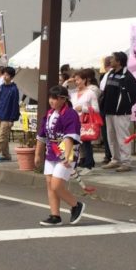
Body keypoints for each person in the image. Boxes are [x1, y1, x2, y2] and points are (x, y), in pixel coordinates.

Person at [34, 85, 87, 226]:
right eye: (51, 98)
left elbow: (70, 137)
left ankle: (76, 205)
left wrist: (68, 156)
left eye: (55, 98)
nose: (52, 101)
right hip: (51, 152)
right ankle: (55, 215)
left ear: (63, 99)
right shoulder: (49, 114)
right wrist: (38, 155)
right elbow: (41, 136)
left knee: (57, 185)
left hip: (66, 153)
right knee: (50, 184)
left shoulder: (70, 114)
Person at [99, 51, 136, 172]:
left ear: (119, 61)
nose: (110, 61)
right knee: (111, 137)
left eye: (113, 59)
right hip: (109, 111)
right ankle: (115, 159)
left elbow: (133, 95)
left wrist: (124, 106)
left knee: (123, 137)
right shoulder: (110, 74)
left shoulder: (128, 76)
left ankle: (126, 162)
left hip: (121, 113)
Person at [71, 68, 100, 170]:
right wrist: (67, 81)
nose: (76, 82)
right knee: (78, 141)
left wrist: (83, 108)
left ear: (84, 80)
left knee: (86, 141)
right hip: (75, 119)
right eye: (75, 80)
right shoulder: (73, 93)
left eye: (78, 79)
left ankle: (89, 161)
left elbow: (96, 109)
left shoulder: (90, 92)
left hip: (85, 120)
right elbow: (63, 90)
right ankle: (82, 159)